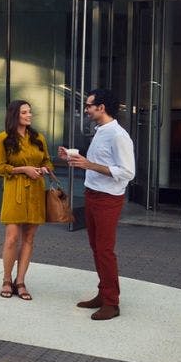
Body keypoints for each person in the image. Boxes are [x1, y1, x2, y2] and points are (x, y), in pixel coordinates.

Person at [59, 88, 136, 321]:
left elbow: (127, 172)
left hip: (108, 199)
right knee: (97, 248)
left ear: (101, 108)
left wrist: (89, 165)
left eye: (89, 105)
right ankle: (104, 295)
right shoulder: (100, 130)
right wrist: (75, 159)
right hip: (93, 194)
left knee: (104, 250)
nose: (86, 109)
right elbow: (98, 161)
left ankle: (112, 303)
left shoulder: (118, 135)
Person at [0, 100, 53, 301]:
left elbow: (47, 161)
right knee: (12, 238)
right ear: (14, 115)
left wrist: (44, 169)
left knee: (29, 238)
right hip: (14, 191)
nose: (29, 115)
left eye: (30, 112)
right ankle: (7, 279)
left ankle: (21, 281)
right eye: (24, 112)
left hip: (36, 191)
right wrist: (22, 169)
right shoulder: (2, 139)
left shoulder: (38, 138)